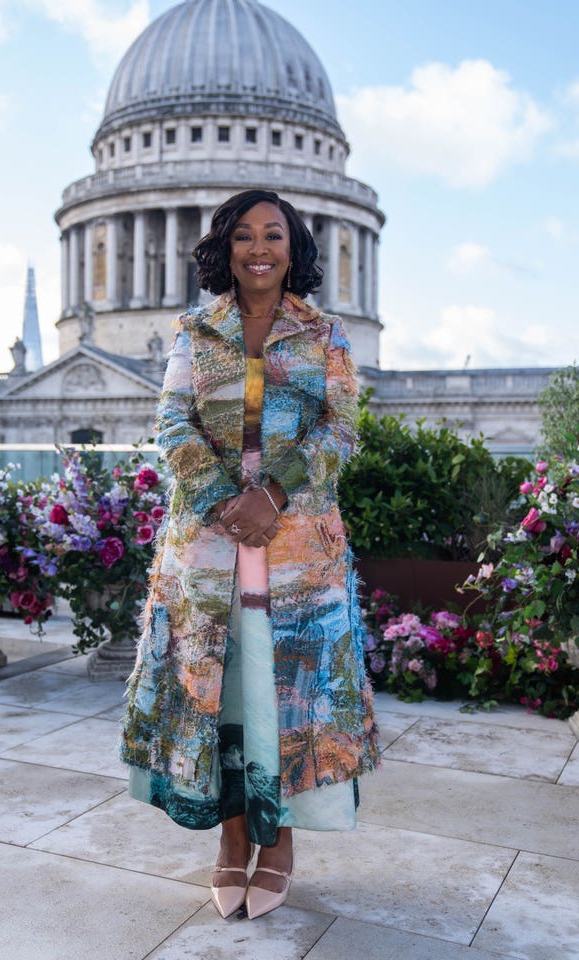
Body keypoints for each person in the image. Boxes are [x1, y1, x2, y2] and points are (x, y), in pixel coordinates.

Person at [119, 189, 379, 920]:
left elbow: (342, 428)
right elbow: (172, 424)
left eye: (273, 235)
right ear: (224, 248)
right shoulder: (194, 332)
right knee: (221, 695)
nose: (258, 248)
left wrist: (275, 495)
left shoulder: (327, 335)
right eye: (243, 235)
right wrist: (223, 502)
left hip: (298, 550)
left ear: (294, 247)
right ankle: (230, 844)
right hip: (208, 549)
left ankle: (282, 843)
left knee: (287, 698)